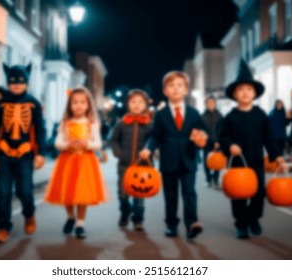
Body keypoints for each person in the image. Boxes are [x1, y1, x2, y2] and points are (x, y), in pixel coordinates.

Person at [0, 63, 46, 243]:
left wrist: (40, 153)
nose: (16, 84)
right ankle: (3, 227)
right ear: (8, 83)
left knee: (25, 191)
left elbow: (40, 130)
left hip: (25, 154)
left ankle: (29, 214)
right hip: (5, 153)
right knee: (3, 192)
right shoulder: (2, 103)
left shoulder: (33, 104)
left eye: (20, 81)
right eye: (12, 81)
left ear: (26, 83)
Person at [218, 60, 286, 239]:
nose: (245, 93)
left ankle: (253, 218)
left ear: (255, 93)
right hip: (238, 163)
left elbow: (269, 139)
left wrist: (277, 156)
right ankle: (241, 224)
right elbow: (222, 136)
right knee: (238, 194)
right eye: (241, 90)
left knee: (258, 193)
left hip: (256, 160)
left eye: (249, 89)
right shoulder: (230, 117)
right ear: (234, 94)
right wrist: (229, 144)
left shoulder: (261, 115)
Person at [139, 71, 209, 240]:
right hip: (168, 160)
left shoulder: (193, 113)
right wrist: (149, 148)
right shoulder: (161, 115)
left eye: (179, 85)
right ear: (165, 91)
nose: (176, 89)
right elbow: (155, 136)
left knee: (189, 193)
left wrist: (202, 138)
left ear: (186, 90)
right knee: (170, 195)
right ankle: (171, 224)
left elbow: (203, 131)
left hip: (189, 158)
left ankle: (192, 223)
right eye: (171, 86)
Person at [44, 87, 108, 239]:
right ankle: (70, 216)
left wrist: (88, 145)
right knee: (67, 192)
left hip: (86, 161)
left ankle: (80, 223)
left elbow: (98, 143)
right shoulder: (65, 123)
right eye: (75, 102)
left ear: (88, 105)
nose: (79, 105)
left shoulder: (92, 123)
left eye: (82, 102)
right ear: (70, 105)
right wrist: (67, 145)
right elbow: (57, 142)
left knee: (82, 194)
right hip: (67, 161)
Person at [110, 89, 152, 231]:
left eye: (140, 102)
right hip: (124, 165)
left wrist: (150, 151)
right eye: (133, 101)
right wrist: (119, 153)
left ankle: (138, 219)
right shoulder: (121, 123)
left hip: (142, 166)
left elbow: (153, 140)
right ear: (128, 104)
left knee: (139, 195)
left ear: (145, 105)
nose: (137, 105)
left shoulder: (149, 124)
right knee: (123, 193)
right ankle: (125, 212)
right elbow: (114, 140)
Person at [201, 96, 223, 188]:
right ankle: (208, 179)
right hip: (206, 142)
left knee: (218, 161)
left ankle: (216, 179)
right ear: (205, 104)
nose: (210, 104)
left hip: (217, 142)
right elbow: (200, 130)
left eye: (212, 102)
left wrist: (219, 140)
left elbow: (222, 129)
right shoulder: (202, 116)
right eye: (208, 102)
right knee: (206, 161)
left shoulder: (220, 115)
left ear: (215, 103)